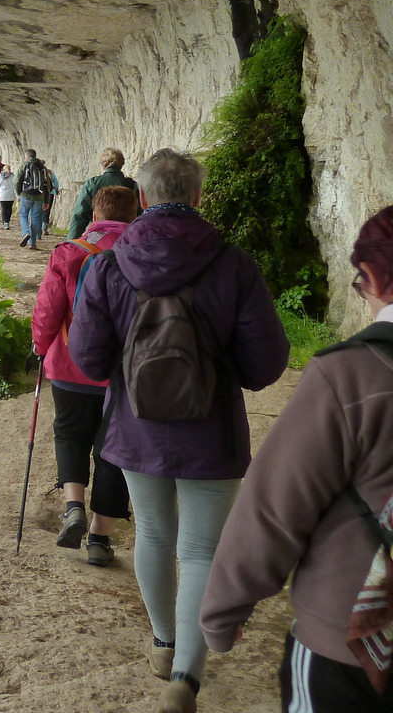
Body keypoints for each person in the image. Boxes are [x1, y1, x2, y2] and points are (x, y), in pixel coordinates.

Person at [67, 148, 289, 713]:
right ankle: (186, 678)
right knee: (200, 549)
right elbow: (265, 365)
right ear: (197, 196)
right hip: (211, 431)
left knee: (154, 534)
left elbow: (88, 359)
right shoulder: (234, 265)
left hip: (135, 428)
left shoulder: (109, 266)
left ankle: (164, 643)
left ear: (142, 197)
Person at [201, 205, 393, 713]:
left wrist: (223, 611)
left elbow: (275, 508)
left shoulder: (351, 376)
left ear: (373, 276)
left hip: (351, 644)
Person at [31, 186, 138, 566]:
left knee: (70, 434)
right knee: (115, 450)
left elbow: (48, 308)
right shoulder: (143, 254)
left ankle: (73, 507)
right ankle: (98, 538)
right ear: (135, 216)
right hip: (123, 373)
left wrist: (40, 347)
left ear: (94, 215)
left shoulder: (69, 252)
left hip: (70, 364)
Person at [67, 148, 139, 241]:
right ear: (121, 163)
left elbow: (80, 215)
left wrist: (71, 241)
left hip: (97, 236)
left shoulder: (92, 184)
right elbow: (139, 214)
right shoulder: (132, 185)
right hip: (125, 236)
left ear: (103, 164)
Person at [17, 149, 49, 250]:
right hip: (39, 197)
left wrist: (18, 193)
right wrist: (46, 201)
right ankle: (32, 243)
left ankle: (26, 233)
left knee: (23, 215)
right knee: (35, 218)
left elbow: (17, 181)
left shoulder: (24, 166)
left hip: (26, 195)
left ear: (27, 156)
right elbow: (47, 185)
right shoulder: (42, 167)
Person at [0, 163, 17, 230]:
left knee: (3, 208)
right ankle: (7, 220)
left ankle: (5, 222)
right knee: (9, 208)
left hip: (3, 195)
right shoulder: (13, 176)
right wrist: (17, 195)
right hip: (11, 195)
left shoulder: (0, 176)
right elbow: (15, 186)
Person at [42, 169, 60, 236]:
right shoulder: (49, 172)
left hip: (39, 194)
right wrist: (56, 189)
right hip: (50, 193)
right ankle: (44, 227)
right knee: (47, 210)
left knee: (38, 210)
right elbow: (56, 182)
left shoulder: (37, 171)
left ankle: (37, 228)